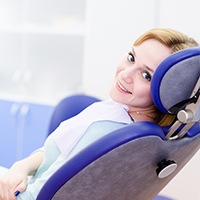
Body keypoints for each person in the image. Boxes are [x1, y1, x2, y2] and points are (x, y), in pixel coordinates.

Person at [0, 28, 198, 200]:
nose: (125, 74)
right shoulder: (139, 127)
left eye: (146, 76)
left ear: (169, 94)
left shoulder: (107, 133)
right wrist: (22, 166)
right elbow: (58, 150)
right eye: (131, 57)